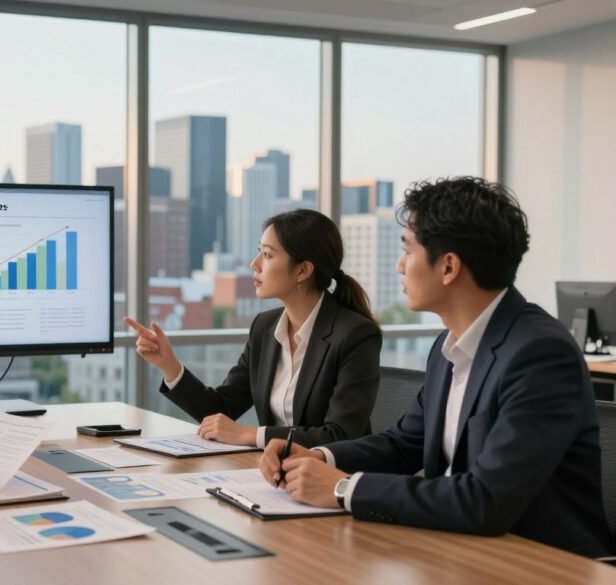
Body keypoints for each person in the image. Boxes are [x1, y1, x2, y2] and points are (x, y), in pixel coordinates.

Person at [260, 177, 610, 557]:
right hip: (462, 551)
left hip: (542, 563)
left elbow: (485, 499)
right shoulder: (449, 346)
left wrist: (343, 488)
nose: (399, 265)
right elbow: (404, 444)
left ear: (448, 267)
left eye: (407, 250)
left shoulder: (540, 354)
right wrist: (319, 458)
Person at [125, 209, 382, 449]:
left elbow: (340, 435)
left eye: (268, 255)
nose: (254, 264)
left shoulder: (355, 335)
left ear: (303, 270)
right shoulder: (265, 327)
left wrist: (252, 435)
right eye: (259, 252)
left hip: (333, 480)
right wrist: (169, 365)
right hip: (275, 474)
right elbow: (221, 411)